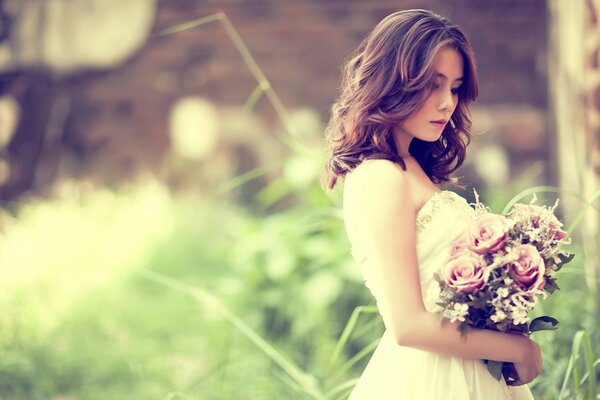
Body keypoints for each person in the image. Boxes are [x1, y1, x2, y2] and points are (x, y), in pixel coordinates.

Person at [323, 9, 541, 400]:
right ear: (393, 82)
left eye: (455, 88)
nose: (447, 104)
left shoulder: (408, 167)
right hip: (432, 379)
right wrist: (519, 349)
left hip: (463, 367)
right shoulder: (379, 176)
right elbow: (407, 325)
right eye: (432, 86)